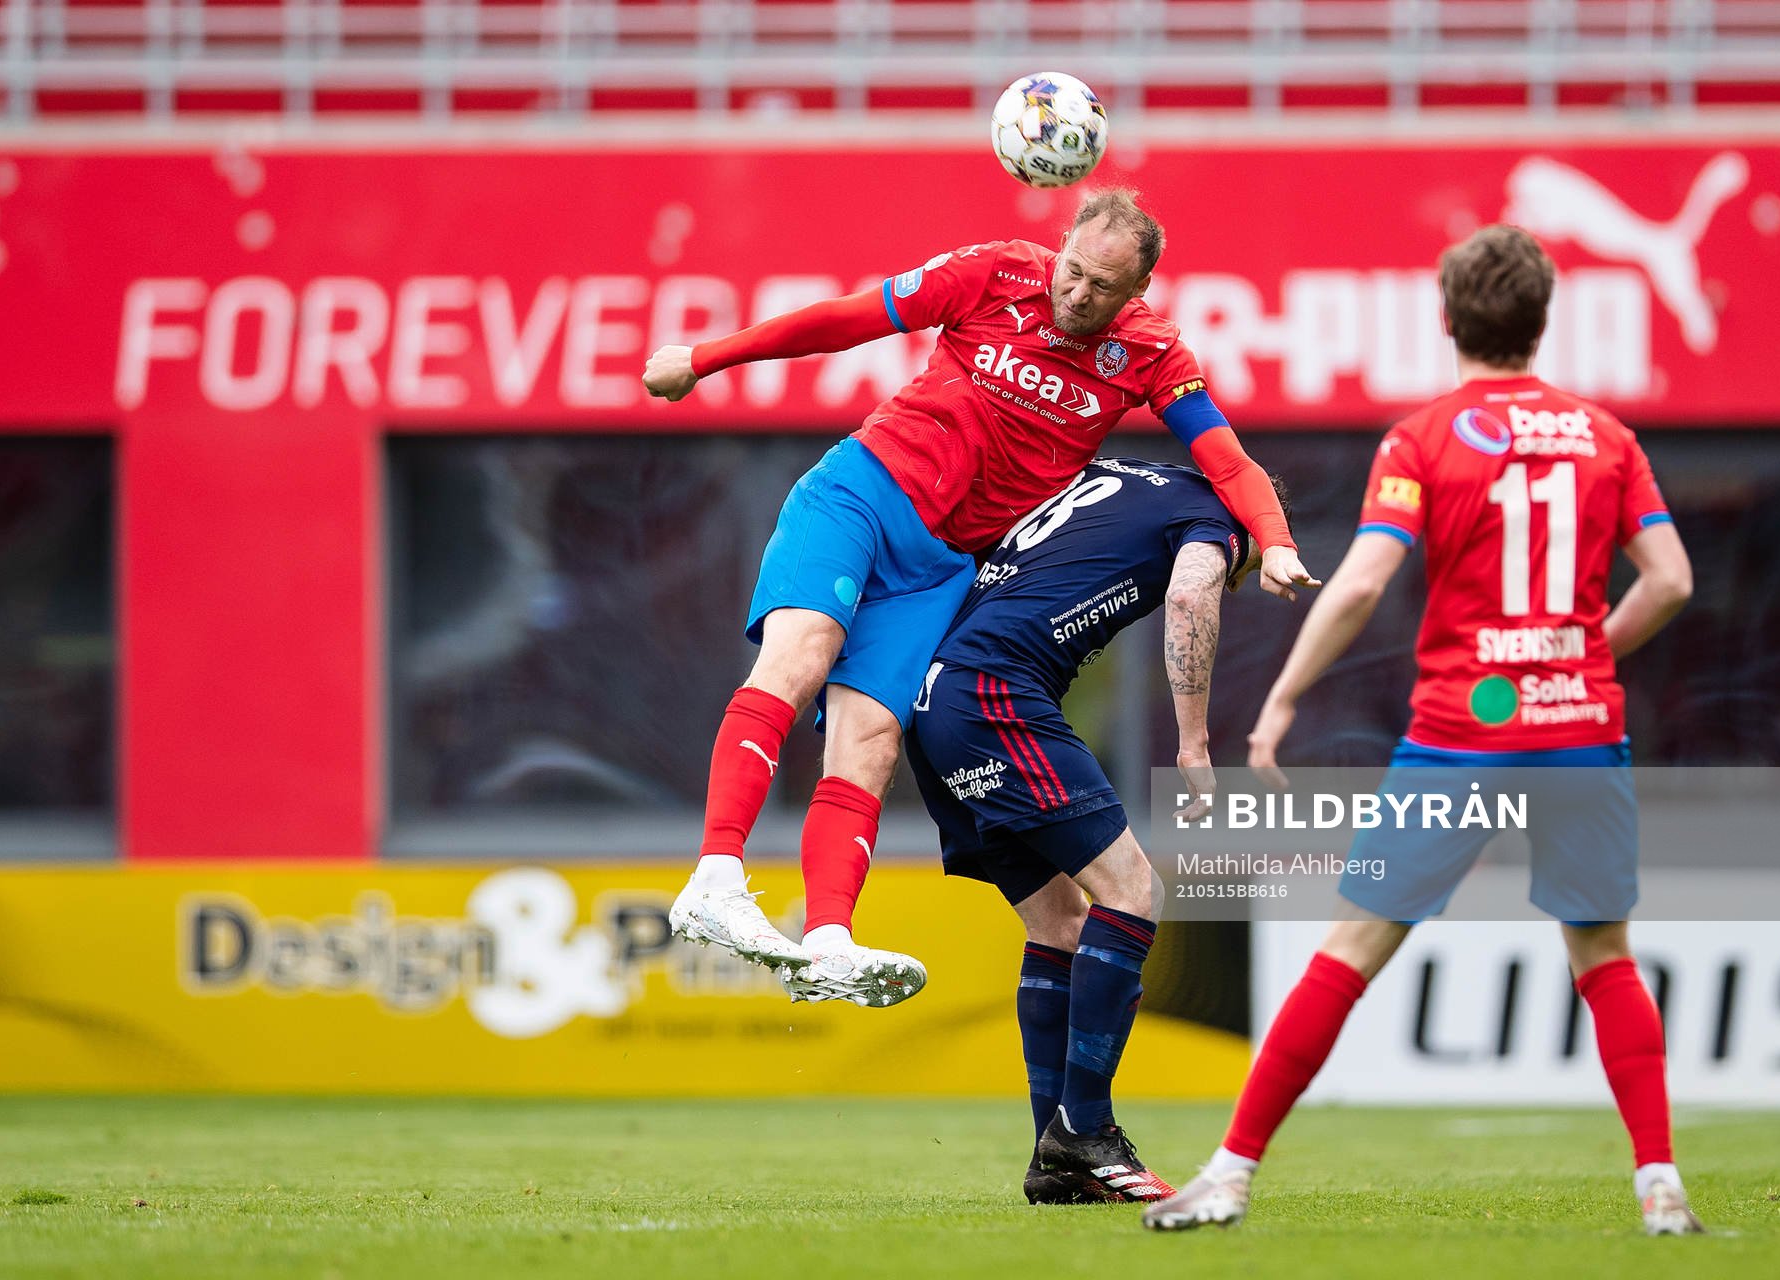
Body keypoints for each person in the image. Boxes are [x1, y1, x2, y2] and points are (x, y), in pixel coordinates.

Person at [1143, 225, 1702, 1235]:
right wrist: (1585, 653)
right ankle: (1661, 1186)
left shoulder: (1422, 439)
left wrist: (1283, 696)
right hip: (1579, 729)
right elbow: (1670, 580)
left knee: (1352, 947)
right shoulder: (1607, 438)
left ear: (1447, 318)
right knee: (1605, 955)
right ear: (1541, 321)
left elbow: (1363, 581)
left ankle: (1228, 1174)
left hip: (1462, 735)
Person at [643, 189, 1316, 1006]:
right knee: (801, 658)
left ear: (1138, 290)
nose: (1078, 294)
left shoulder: (1150, 352)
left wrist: (1275, 541)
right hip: (862, 495)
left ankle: (826, 942)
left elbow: (1226, 459)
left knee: (872, 740)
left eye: (1103, 287)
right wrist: (705, 358)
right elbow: (847, 320)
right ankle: (716, 877)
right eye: (1073, 271)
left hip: (941, 566)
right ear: (1060, 247)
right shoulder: (992, 271)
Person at [904, 456, 1274, 1203]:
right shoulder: (1217, 516)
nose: (1236, 574)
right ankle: (1086, 1129)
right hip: (994, 691)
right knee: (1133, 893)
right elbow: (1190, 595)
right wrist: (1194, 743)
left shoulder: (1121, 474)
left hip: (931, 700)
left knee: (1061, 925)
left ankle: (1055, 1161)